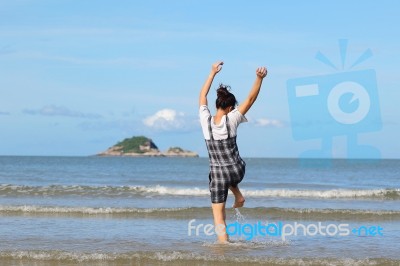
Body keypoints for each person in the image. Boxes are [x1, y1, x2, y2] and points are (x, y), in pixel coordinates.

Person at [199, 61, 267, 243]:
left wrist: (212, 72)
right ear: (230, 108)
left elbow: (202, 95)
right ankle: (237, 193)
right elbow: (251, 99)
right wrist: (259, 79)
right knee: (225, 173)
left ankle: (224, 245)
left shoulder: (205, 120)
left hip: (219, 176)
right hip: (237, 171)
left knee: (219, 216)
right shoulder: (233, 118)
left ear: (218, 105)